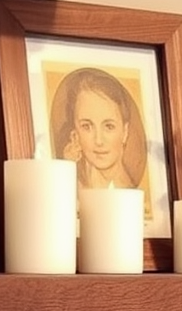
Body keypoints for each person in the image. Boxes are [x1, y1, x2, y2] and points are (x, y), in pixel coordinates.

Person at [50, 68, 151, 209]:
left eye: (109, 126)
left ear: (125, 131)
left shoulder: (133, 199)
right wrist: (67, 171)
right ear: (75, 133)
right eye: (86, 126)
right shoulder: (68, 193)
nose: (98, 140)